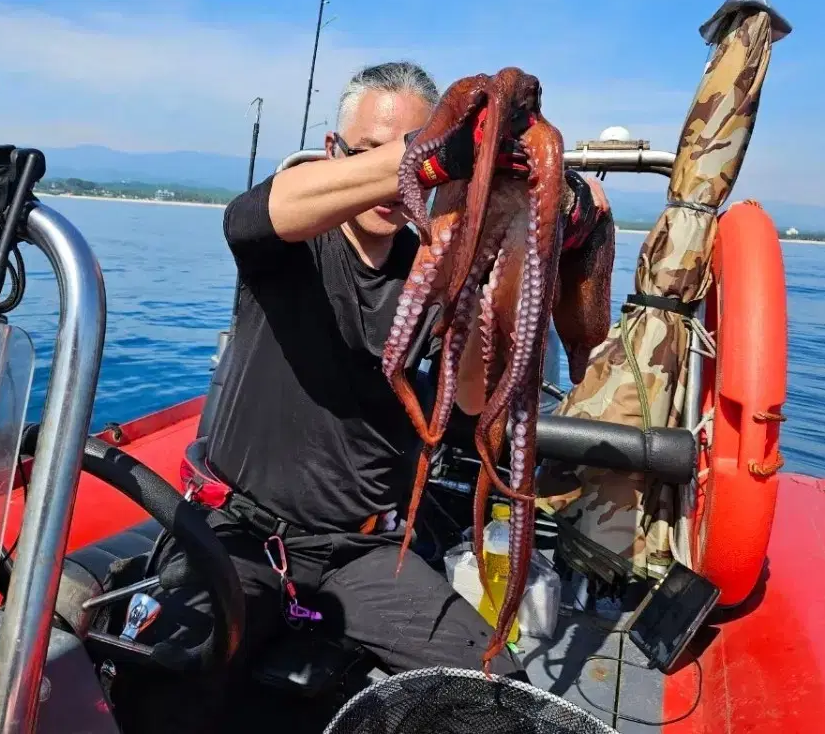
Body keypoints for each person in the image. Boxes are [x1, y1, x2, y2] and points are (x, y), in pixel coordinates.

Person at [110, 61, 609, 733]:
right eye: (368, 151)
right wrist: (432, 155)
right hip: (237, 534)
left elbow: (469, 408)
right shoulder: (288, 244)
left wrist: (530, 234)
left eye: (414, 148)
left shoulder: (430, 267)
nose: (394, 175)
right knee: (162, 679)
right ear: (331, 154)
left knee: (498, 704)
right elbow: (250, 216)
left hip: (365, 550)